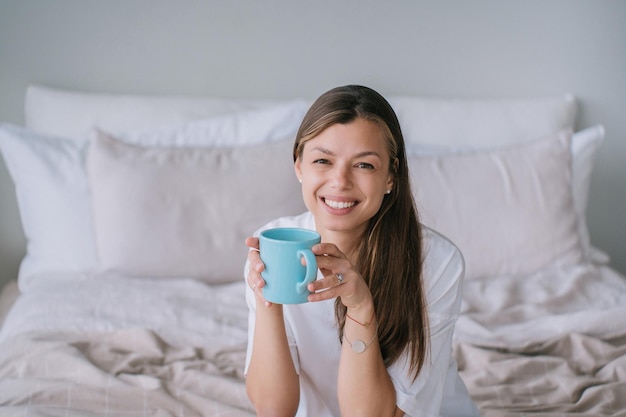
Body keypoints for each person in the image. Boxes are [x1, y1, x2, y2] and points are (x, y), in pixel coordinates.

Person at [244, 85, 479, 417]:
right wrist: (267, 300)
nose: (340, 181)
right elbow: (273, 408)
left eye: (364, 165)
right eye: (322, 160)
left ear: (391, 176)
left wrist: (360, 308)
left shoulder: (437, 263)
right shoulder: (271, 246)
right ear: (299, 166)